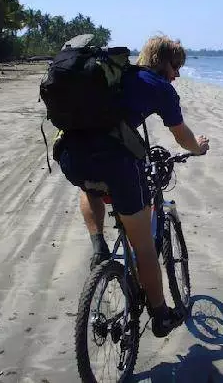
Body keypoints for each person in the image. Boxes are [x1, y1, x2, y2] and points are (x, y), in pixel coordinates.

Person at [57, 35, 210, 338]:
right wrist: (198, 147)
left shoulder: (112, 77)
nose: (177, 74)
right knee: (143, 245)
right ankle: (160, 314)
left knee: (90, 187)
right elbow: (181, 136)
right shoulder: (159, 88)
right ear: (162, 61)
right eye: (176, 66)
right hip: (116, 165)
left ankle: (99, 247)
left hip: (71, 156)